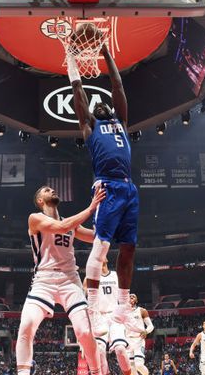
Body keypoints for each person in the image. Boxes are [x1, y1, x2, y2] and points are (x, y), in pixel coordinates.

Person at [69, 36, 140, 333]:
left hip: (129, 188)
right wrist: (71, 58)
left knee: (129, 249)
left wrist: (105, 50)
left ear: (110, 109)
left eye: (103, 103)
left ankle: (123, 306)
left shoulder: (121, 122)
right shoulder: (89, 127)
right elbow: (79, 92)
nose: (99, 104)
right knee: (101, 246)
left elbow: (118, 85)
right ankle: (94, 308)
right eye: (94, 104)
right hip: (107, 187)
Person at [14, 185, 106, 375]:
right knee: (26, 325)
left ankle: (96, 371)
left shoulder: (71, 223)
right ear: (40, 200)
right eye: (47, 190)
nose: (52, 190)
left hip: (70, 281)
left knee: (84, 332)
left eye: (53, 189)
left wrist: (107, 220)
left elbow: (97, 238)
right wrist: (91, 207)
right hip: (43, 280)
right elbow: (62, 227)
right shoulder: (35, 218)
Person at [85, 261, 132, 375]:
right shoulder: (90, 278)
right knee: (100, 350)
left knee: (120, 349)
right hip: (99, 316)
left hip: (115, 315)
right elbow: (84, 298)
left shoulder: (116, 275)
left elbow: (124, 296)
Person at [126, 294, 153, 375]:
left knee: (138, 365)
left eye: (133, 296)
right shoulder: (124, 312)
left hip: (139, 340)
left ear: (136, 300)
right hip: (128, 340)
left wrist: (146, 331)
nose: (131, 297)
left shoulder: (142, 310)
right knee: (131, 367)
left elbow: (151, 326)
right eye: (129, 296)